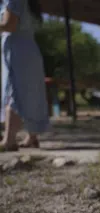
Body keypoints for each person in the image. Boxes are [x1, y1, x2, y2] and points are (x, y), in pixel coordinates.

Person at [0, 0, 48, 151]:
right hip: (29, 47)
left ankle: (9, 140)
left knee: (13, 91)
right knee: (32, 93)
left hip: (16, 49)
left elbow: (9, 25)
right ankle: (32, 138)